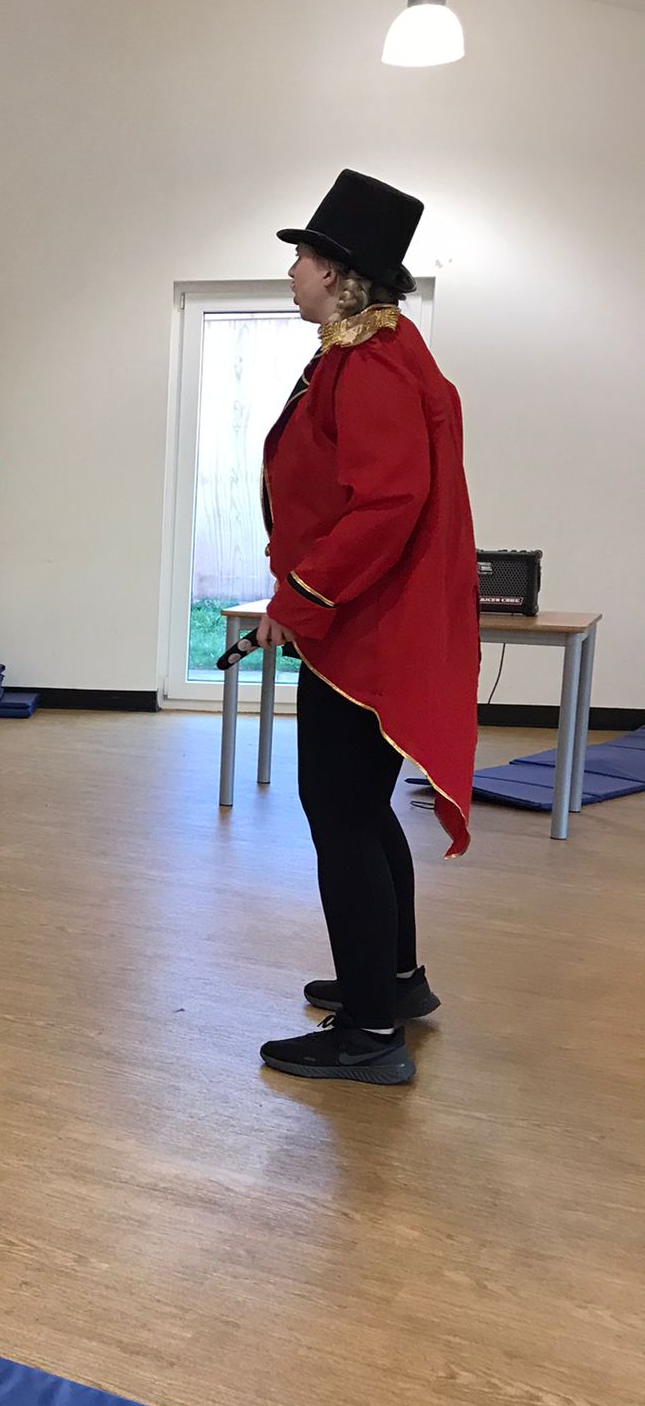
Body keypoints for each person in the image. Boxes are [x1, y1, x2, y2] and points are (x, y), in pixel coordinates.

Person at [254, 170, 477, 1086]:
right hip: (358, 626)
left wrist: (298, 599)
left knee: (338, 814)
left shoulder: (374, 362)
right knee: (359, 811)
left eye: (305, 255)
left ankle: (370, 1034)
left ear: (343, 272)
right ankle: (391, 981)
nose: (295, 270)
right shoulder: (368, 351)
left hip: (359, 633)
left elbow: (387, 503)